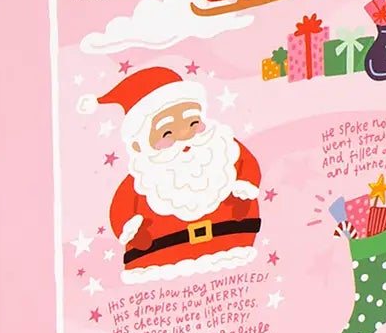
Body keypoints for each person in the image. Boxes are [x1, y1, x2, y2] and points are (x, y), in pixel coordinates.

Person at [97, 67, 262, 283]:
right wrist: (127, 226)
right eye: (167, 133)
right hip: (160, 255)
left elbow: (247, 166)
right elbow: (122, 207)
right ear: (139, 145)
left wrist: (246, 184)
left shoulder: (223, 149)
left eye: (192, 123)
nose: (184, 136)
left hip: (233, 240)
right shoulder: (144, 178)